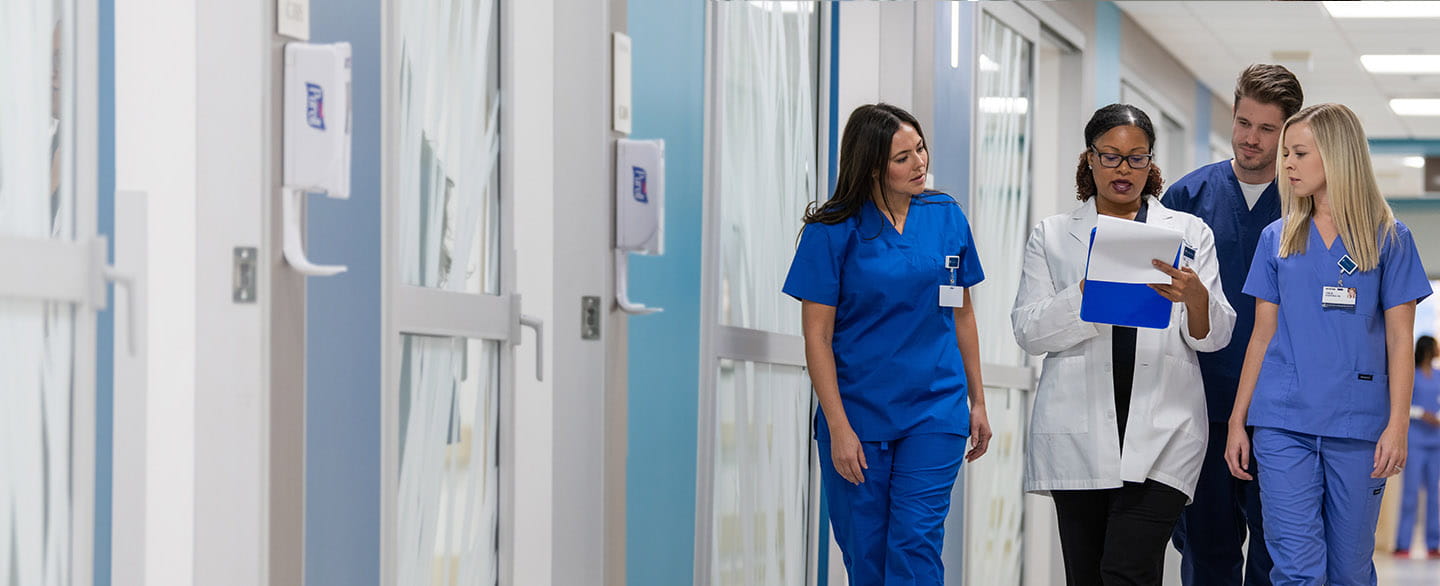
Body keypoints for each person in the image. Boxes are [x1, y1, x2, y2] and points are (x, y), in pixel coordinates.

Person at [1011, 104, 1235, 585]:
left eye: (1137, 158)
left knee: (1127, 571)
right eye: (1111, 156)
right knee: (1087, 575)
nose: (1123, 170)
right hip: (1079, 432)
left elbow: (1212, 337)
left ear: (1150, 163)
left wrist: (1196, 298)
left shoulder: (1188, 233)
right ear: (1089, 158)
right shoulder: (1053, 235)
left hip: (1164, 431)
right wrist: (1085, 294)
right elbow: (1028, 331)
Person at [783, 103, 992, 584]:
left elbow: (962, 314)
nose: (919, 163)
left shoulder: (946, 216)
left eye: (920, 149)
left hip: (935, 410)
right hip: (858, 415)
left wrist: (977, 401)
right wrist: (838, 426)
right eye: (903, 157)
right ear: (872, 166)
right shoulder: (832, 230)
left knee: (915, 544)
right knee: (867, 555)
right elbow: (817, 336)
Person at [1225, 103, 1433, 585]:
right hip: (1283, 424)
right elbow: (1261, 335)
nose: (1287, 165)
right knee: (1297, 569)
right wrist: (1238, 420)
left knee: (1349, 572)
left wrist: (1398, 424)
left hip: (1358, 426)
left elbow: (1401, 341)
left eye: (1299, 154)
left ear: (1337, 156)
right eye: (1286, 154)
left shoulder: (1389, 239)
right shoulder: (1277, 239)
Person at [1165, 63, 1303, 586]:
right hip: (1201, 407)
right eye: (1244, 122)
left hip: (1280, 414)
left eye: (1267, 129)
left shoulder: (1305, 206)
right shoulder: (1187, 199)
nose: (1250, 138)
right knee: (1206, 552)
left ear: (1288, 133)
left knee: (1276, 553)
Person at [1396, 335, 1440, 559]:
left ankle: (1433, 544)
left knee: (1434, 495)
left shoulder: (1438, 375)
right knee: (1410, 494)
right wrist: (1422, 413)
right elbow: (1404, 404)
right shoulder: (1411, 373)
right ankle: (1402, 544)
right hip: (1415, 440)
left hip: (1436, 441)